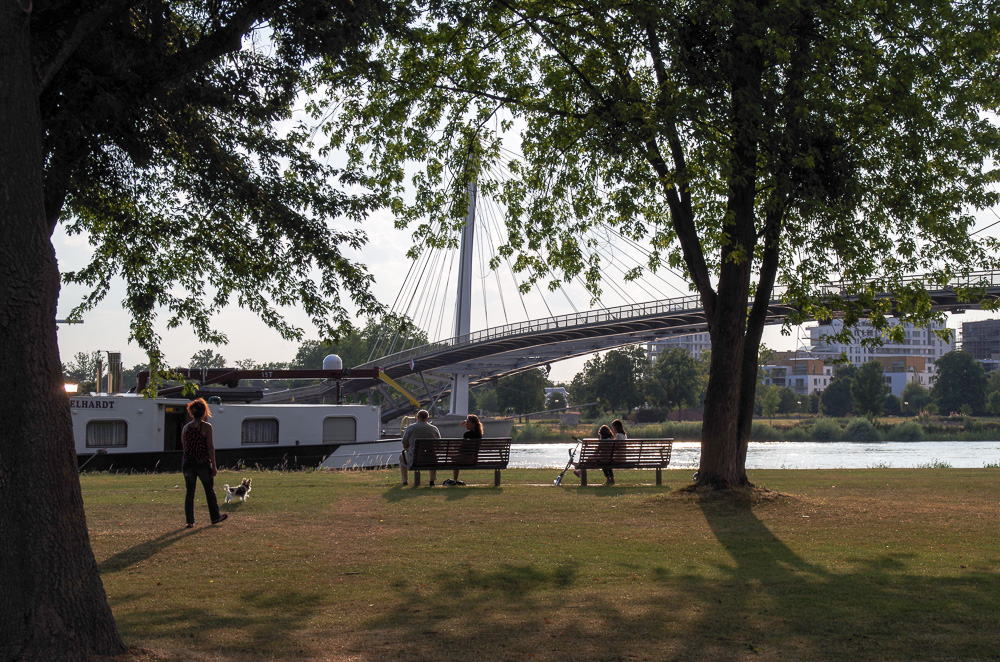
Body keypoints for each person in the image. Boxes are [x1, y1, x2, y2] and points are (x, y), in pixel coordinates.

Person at [181, 398, 227, 527]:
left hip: (188, 463)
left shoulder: (185, 428)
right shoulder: (206, 427)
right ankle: (215, 516)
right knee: (209, 490)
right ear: (204, 412)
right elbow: (210, 447)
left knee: (190, 492)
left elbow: (184, 446)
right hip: (202, 462)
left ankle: (189, 521)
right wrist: (214, 465)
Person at [400, 409, 440, 486]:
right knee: (433, 455)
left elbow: (405, 445)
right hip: (430, 459)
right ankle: (432, 481)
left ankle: (404, 481)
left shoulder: (410, 428)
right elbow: (438, 446)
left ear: (417, 417)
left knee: (402, 457)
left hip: (414, 459)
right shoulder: (434, 429)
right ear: (428, 419)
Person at [444, 413, 483, 486]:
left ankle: (455, 479)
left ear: (473, 424)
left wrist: (453, 449)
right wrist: (466, 421)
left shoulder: (467, 434)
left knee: (452, 454)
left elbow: (460, 448)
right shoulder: (479, 434)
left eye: (468, 423)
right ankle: (455, 479)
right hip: (473, 459)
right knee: (455, 456)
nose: (466, 424)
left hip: (464, 459)